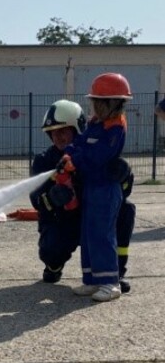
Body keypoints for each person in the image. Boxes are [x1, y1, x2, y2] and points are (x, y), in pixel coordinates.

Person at [30, 99, 135, 294]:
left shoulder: (96, 156)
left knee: (126, 210)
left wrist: (124, 175)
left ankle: (114, 273)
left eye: (63, 130)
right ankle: (54, 266)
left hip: (95, 217)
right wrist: (53, 198)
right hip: (65, 222)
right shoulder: (44, 162)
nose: (57, 136)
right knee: (51, 249)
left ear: (78, 129)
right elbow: (36, 201)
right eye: (52, 132)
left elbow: (121, 193)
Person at [63, 72, 133, 302]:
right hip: (91, 186)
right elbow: (80, 143)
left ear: (112, 103)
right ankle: (93, 280)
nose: (93, 105)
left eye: (97, 101)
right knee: (89, 233)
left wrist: (77, 161)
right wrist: (68, 155)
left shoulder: (115, 128)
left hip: (106, 188)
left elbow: (99, 155)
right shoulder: (96, 123)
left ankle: (110, 283)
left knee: (102, 234)